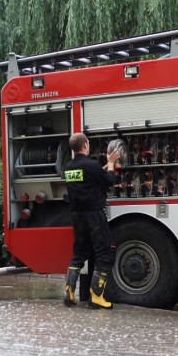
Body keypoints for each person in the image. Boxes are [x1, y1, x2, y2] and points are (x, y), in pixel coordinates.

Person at [63, 132, 119, 309]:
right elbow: (109, 180)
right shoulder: (91, 165)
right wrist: (110, 164)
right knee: (105, 254)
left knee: (79, 255)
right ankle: (96, 296)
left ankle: (69, 293)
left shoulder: (69, 167)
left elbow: (88, 178)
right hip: (94, 216)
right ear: (86, 144)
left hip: (77, 217)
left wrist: (102, 167)